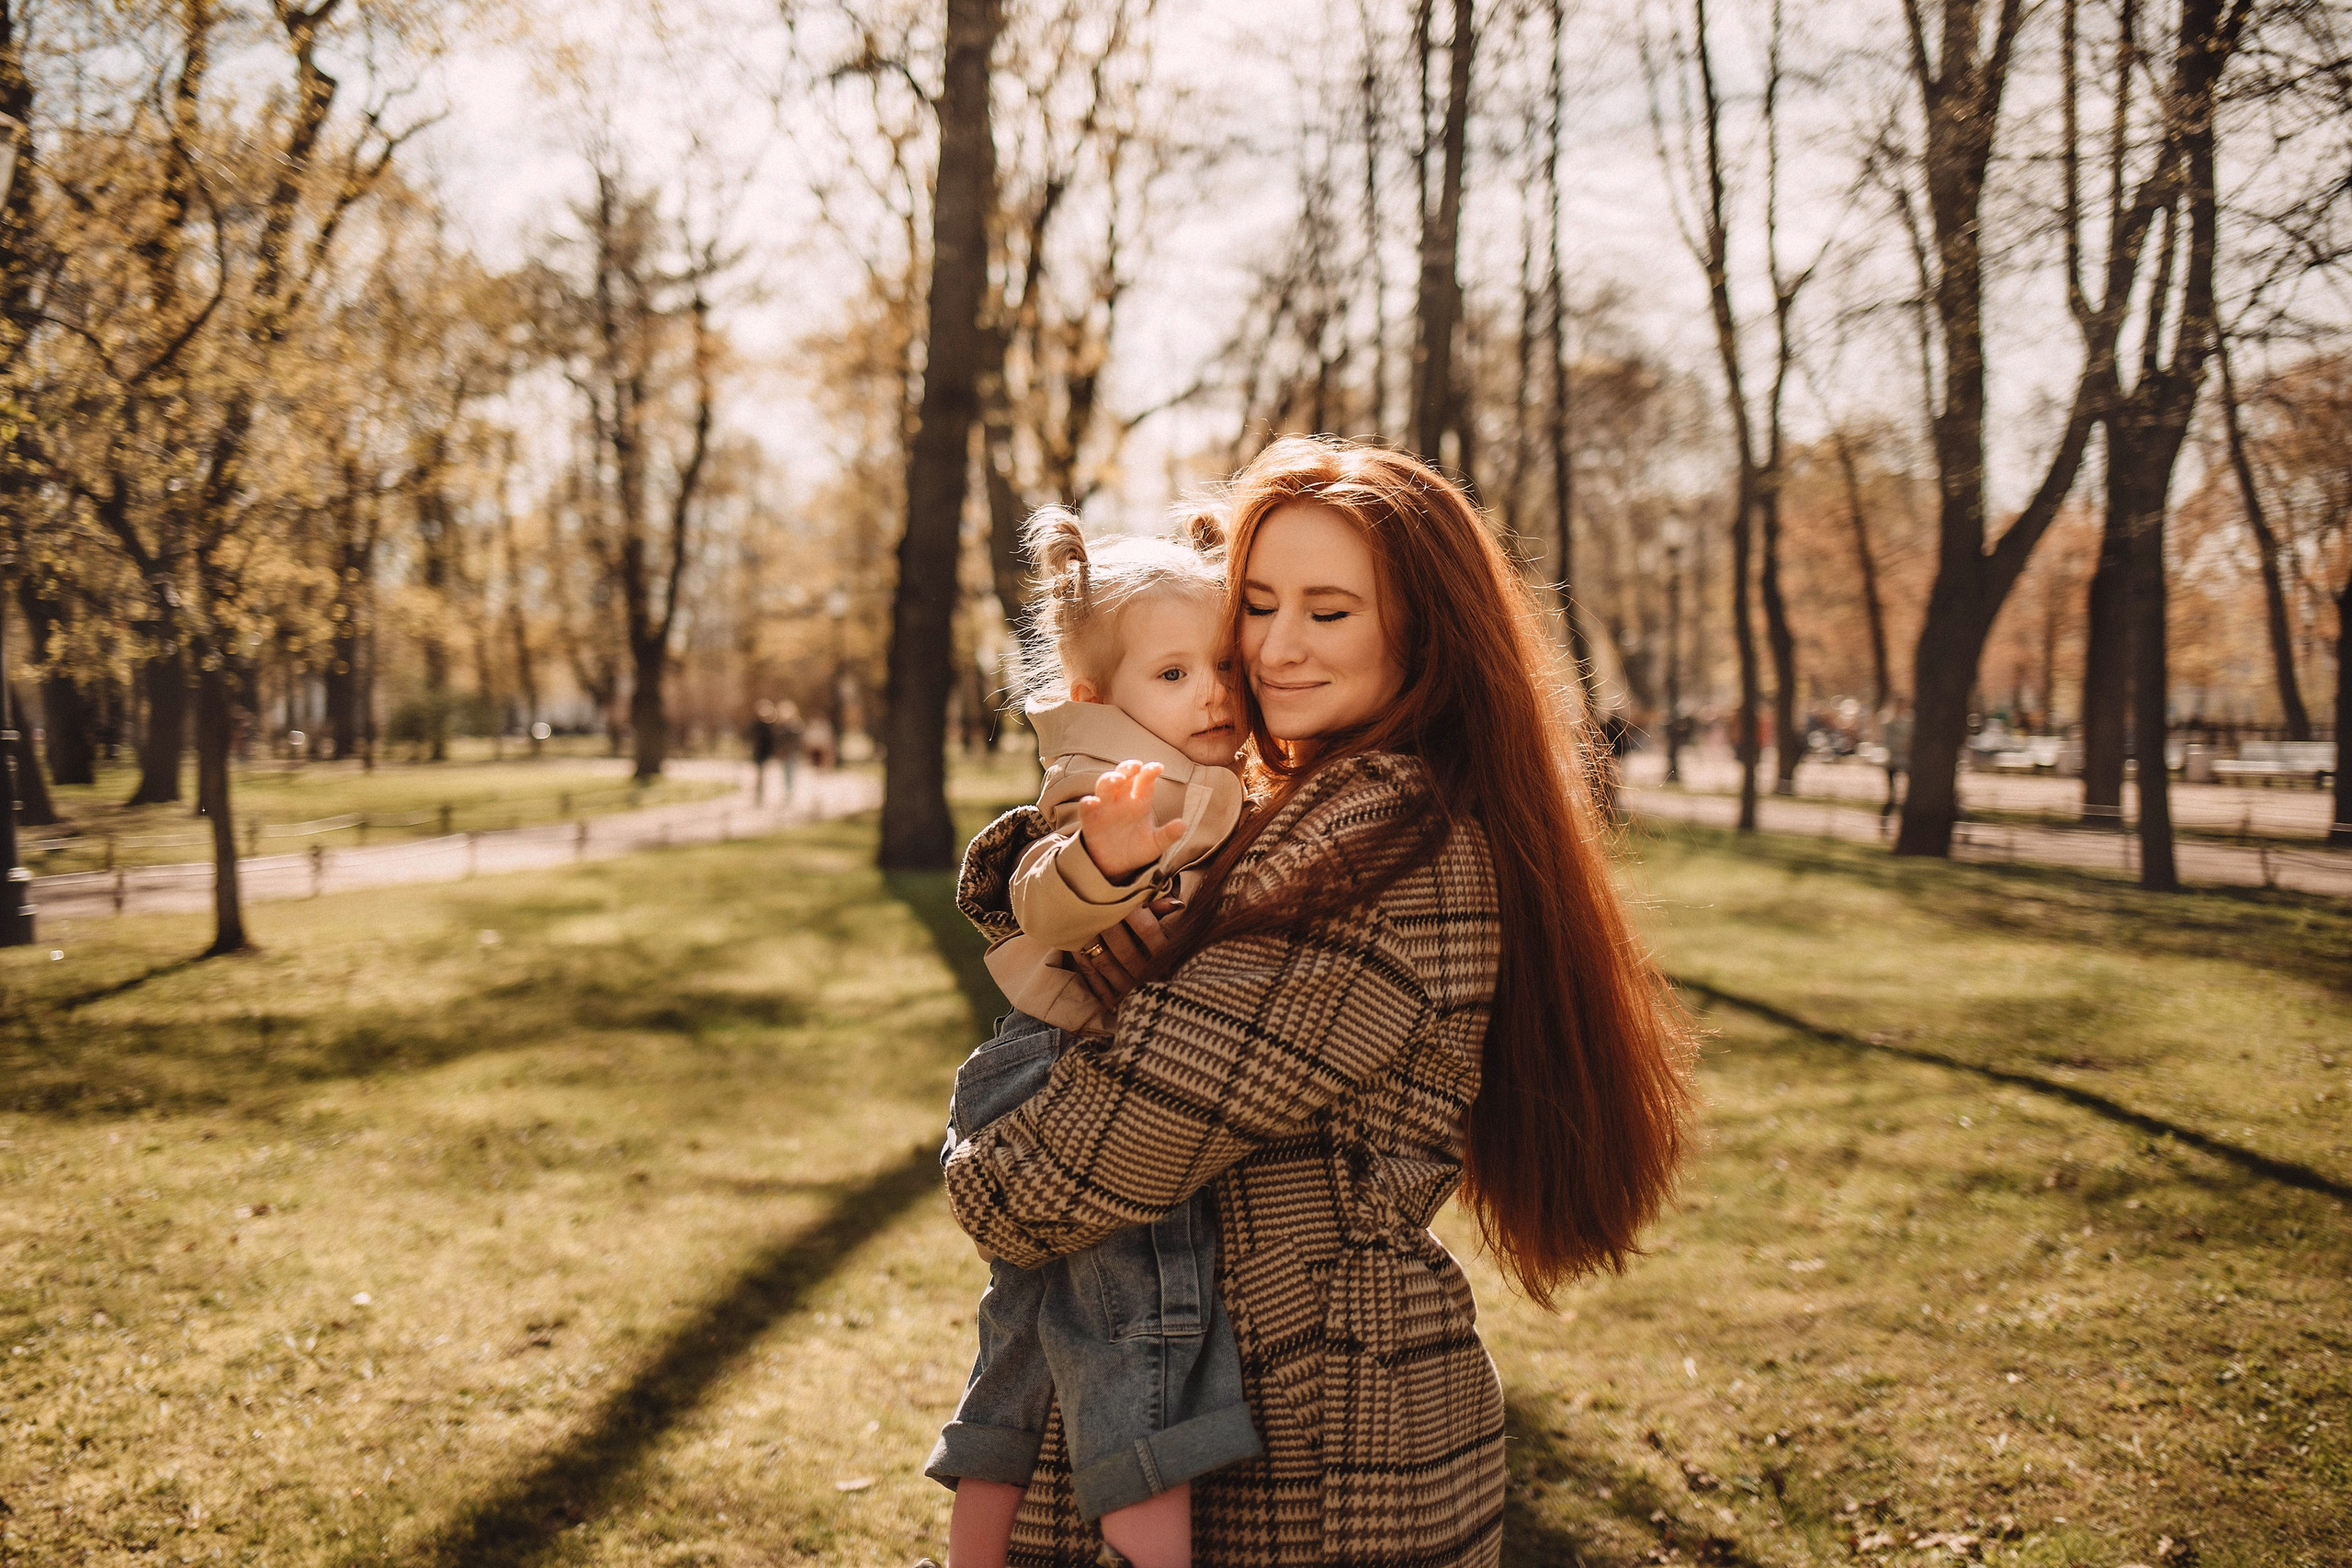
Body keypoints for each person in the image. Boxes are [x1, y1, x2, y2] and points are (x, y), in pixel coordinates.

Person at [940, 436, 1694, 1566]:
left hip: (1315, 1442)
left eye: (1328, 612)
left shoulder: (1375, 852)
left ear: (1421, 632)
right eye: (1256, 603)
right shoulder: (1290, 807)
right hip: (1287, 1401)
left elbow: (1041, 1188)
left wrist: (982, 1153)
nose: (1276, 649)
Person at [927, 505, 1257, 1568]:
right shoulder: (1111, 785)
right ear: (1095, 698)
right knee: (1146, 1329)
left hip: (1035, 1067)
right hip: (1060, 1069)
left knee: (1021, 1348)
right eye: (1172, 675)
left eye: (1222, 665)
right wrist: (1105, 865)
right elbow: (1044, 906)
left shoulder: (1183, 769)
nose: (1210, 692)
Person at [774, 702, 806, 802]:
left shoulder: (796, 724)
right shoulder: (781, 726)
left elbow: (798, 740)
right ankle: (788, 791)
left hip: (792, 752)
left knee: (790, 771)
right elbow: (778, 740)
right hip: (785, 752)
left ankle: (790, 791)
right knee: (786, 772)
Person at [746, 700, 776, 806]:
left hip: (766, 752)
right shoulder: (756, 724)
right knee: (760, 773)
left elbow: (773, 740)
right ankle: (759, 793)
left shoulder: (771, 725)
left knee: (764, 774)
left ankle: (761, 793)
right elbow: (750, 736)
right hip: (758, 752)